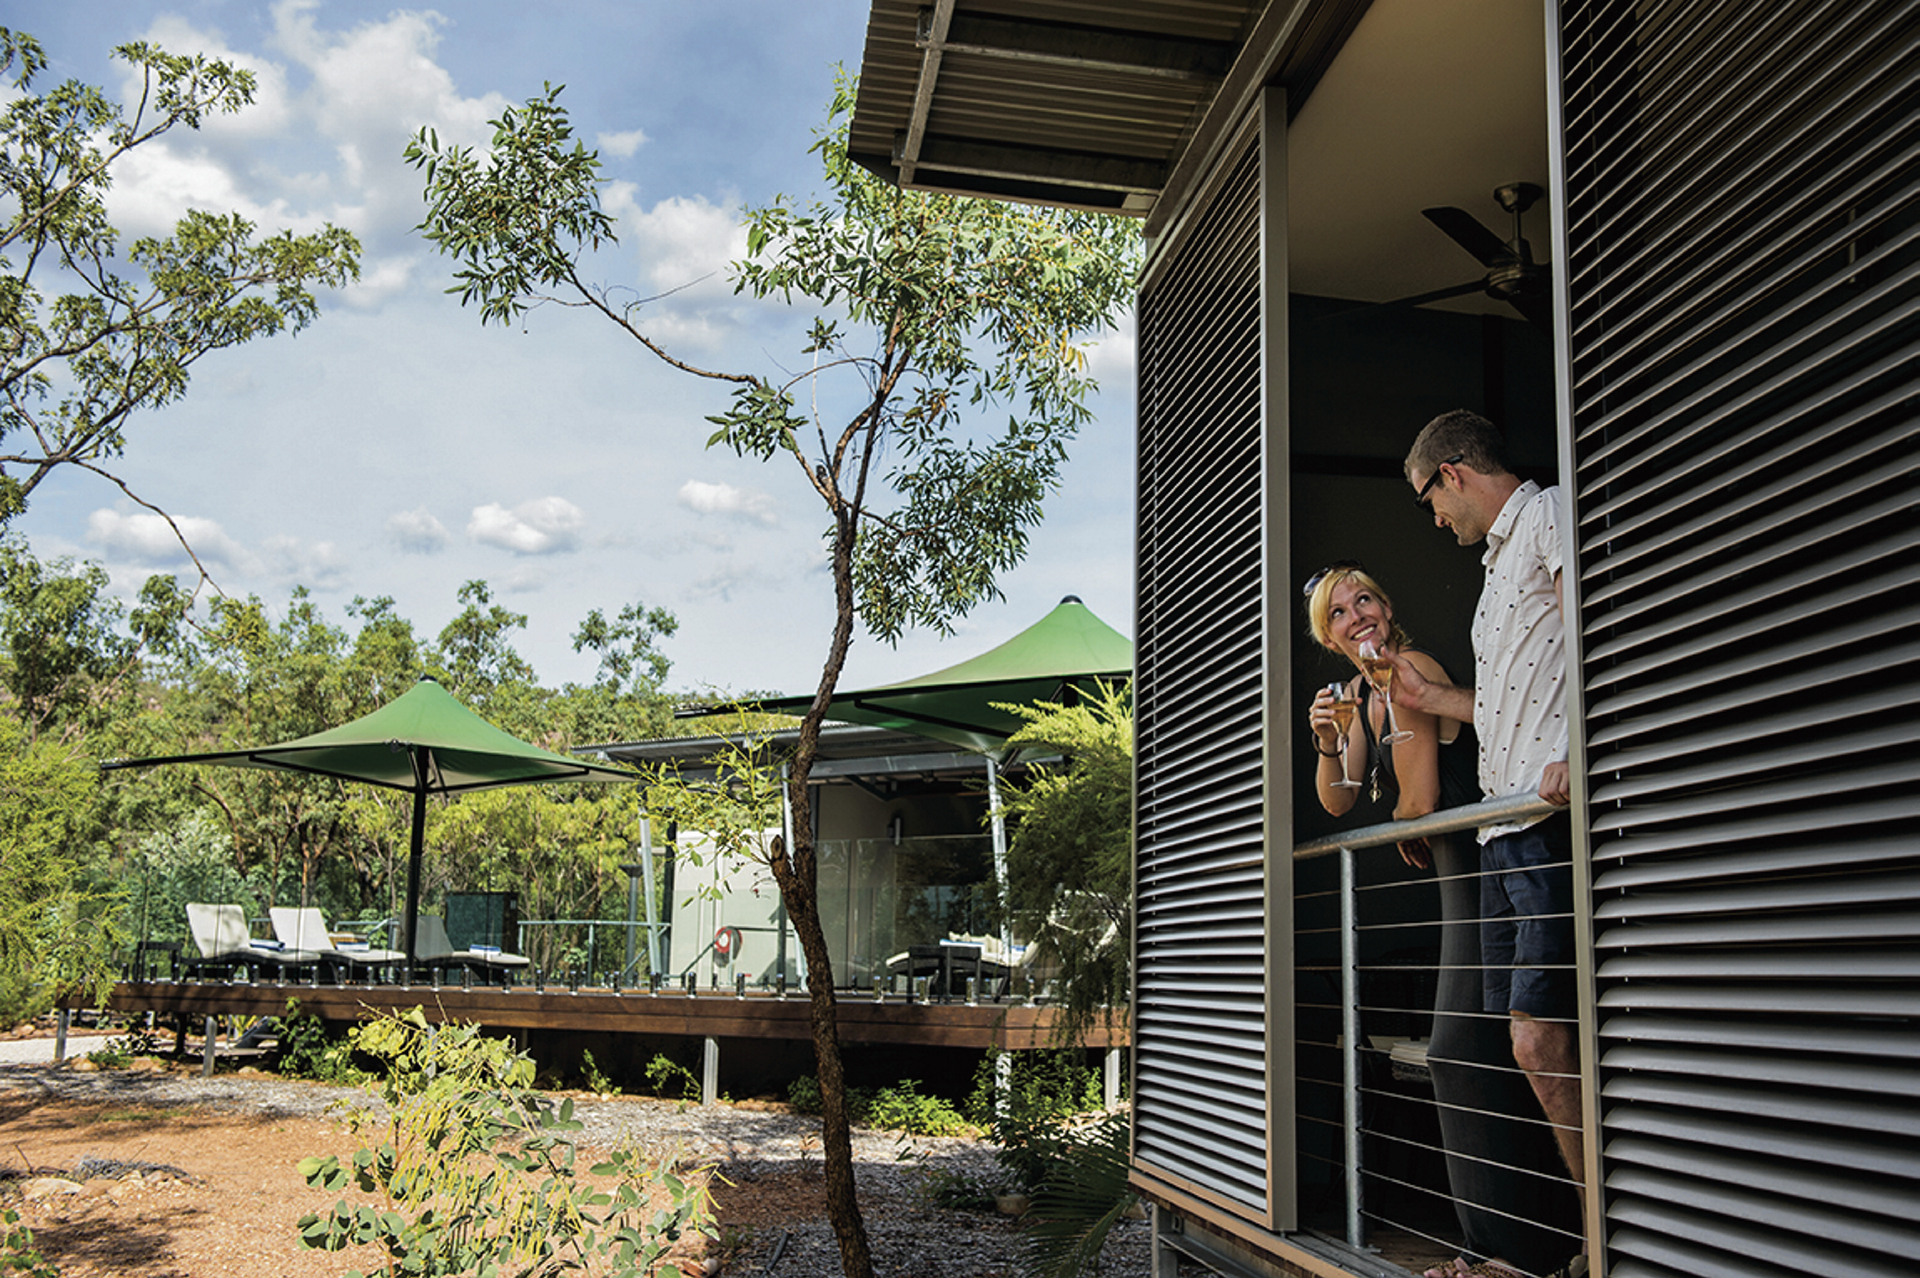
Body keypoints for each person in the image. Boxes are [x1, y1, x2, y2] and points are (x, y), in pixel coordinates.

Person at [1305, 563, 1574, 1278]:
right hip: (1456, 867)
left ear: (1387, 606)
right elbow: (1338, 798)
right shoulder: (1360, 695)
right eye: (1339, 612)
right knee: (1472, 1049)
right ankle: (1500, 1246)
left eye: (1365, 598)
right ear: (1329, 637)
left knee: (1461, 1051)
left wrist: (1404, 822)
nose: (1358, 615)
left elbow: (1419, 800)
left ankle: (1515, 1250)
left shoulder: (1413, 670)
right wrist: (1327, 740)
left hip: (1482, 857)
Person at [1391, 409, 1583, 1277]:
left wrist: (1579, 747)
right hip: (1501, 832)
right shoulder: (1494, 569)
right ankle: (1578, 1236)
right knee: (1527, 1045)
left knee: (1542, 1041)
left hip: (1547, 830)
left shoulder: (1548, 516)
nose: (1434, 519)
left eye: (1428, 499)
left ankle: (1603, 1239)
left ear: (1454, 473)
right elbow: (1506, 703)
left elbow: (1593, 632)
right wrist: (1431, 703)